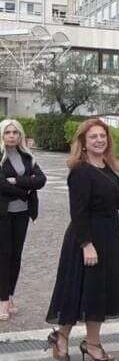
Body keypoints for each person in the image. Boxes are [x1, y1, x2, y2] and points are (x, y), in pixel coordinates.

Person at [46, 118, 119, 361]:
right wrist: (86, 244)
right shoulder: (80, 171)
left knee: (99, 293)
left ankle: (92, 343)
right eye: (93, 136)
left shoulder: (106, 167)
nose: (99, 140)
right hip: (87, 239)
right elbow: (78, 212)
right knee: (77, 291)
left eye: (102, 136)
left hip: (108, 237)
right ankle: (62, 336)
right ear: (83, 142)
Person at [0, 119, 46, 321]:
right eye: (7, 132)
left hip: (22, 214)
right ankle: (1, 301)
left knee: (16, 255)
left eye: (15, 132)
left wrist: (17, 181)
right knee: (4, 255)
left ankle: (9, 296)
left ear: (20, 135)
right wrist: (26, 189)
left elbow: (41, 180)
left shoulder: (27, 157)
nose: (11, 135)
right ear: (2, 135)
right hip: (3, 213)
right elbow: (1, 185)